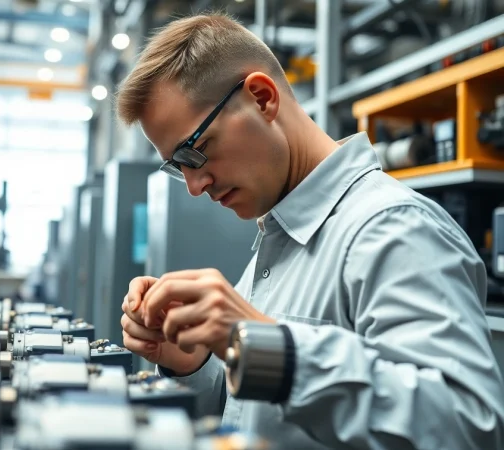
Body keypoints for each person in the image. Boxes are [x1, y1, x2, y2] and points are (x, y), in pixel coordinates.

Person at [115, 13, 504, 449]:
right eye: (177, 166)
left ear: (262, 98)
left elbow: (468, 428)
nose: (193, 186)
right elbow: (248, 419)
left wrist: (274, 353)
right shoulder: (280, 234)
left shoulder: (392, 230)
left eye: (195, 151)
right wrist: (191, 363)